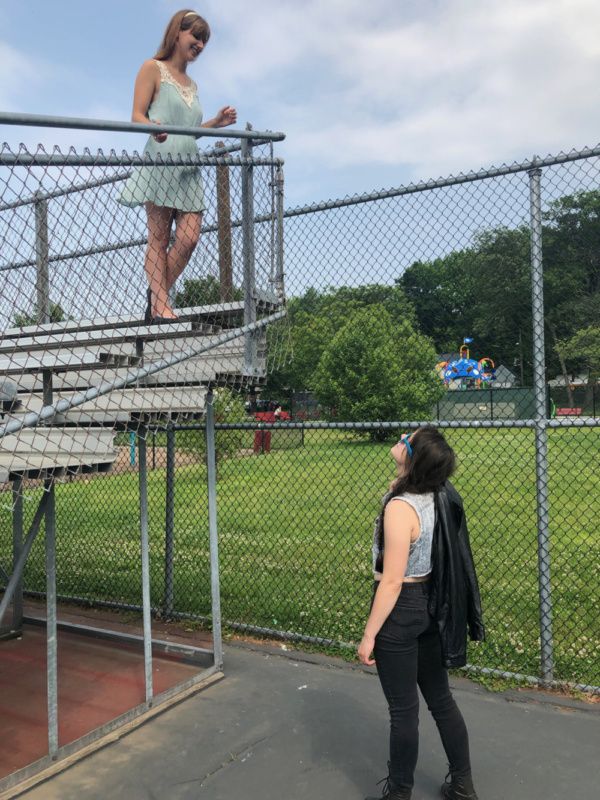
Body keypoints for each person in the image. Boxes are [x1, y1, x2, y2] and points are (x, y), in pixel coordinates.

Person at [358, 426, 485, 800]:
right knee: (441, 699)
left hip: (403, 609)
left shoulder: (401, 508)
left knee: (403, 711)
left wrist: (369, 636)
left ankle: (399, 793)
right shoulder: (438, 493)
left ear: (412, 459)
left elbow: (392, 582)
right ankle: (463, 785)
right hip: (432, 605)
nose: (401, 438)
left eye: (407, 440)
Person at [119, 9, 237, 322]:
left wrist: (215, 123)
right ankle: (160, 307)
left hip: (188, 169)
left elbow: (190, 133)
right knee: (157, 239)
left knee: (189, 238)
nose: (200, 45)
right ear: (177, 33)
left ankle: (157, 295)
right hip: (159, 161)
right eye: (195, 36)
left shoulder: (192, 85)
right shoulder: (152, 68)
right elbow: (137, 115)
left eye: (204, 42)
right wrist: (151, 127)